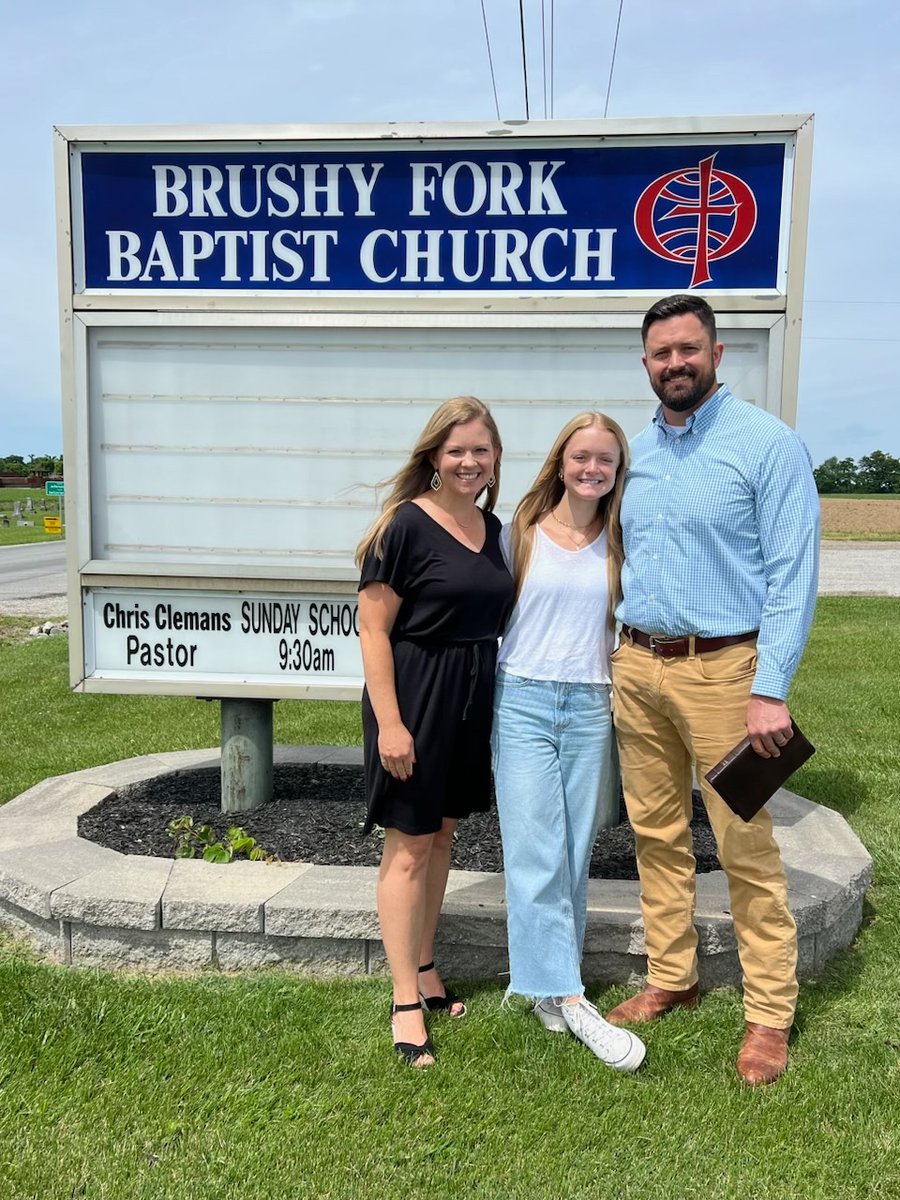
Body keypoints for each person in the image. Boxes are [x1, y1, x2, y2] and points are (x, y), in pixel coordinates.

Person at [604, 294, 820, 1086]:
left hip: (727, 673)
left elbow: (793, 575)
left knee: (743, 844)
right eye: (661, 353)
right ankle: (673, 976)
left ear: (717, 353)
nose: (676, 363)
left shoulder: (767, 445)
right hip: (638, 667)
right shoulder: (633, 453)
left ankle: (769, 1014)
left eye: (689, 349)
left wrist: (771, 688)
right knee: (655, 834)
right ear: (646, 363)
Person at [355, 396, 515, 1068]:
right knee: (409, 847)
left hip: (472, 696)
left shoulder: (493, 526)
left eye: (480, 449)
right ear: (434, 457)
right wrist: (391, 724)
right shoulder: (405, 526)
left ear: (496, 457)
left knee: (443, 835)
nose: (469, 461)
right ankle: (403, 1001)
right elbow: (372, 628)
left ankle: (424, 964)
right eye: (456, 451)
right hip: (415, 695)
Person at [491, 412, 646, 1073]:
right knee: (535, 852)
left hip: (588, 706)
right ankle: (574, 999)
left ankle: (543, 987)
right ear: (560, 462)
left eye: (605, 459)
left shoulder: (620, 541)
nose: (592, 468)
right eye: (581, 456)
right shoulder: (519, 534)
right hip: (521, 700)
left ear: (617, 470)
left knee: (573, 853)